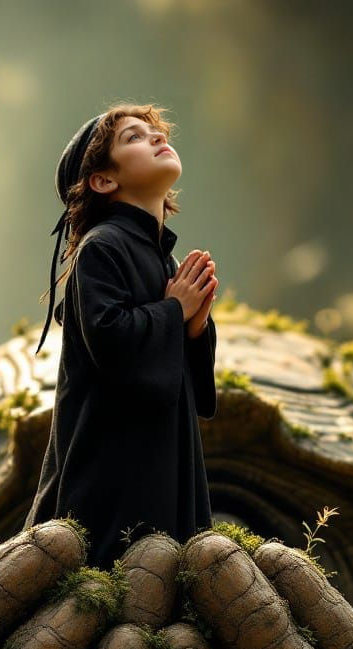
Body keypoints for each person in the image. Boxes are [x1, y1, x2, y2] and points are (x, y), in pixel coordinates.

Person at [23, 103, 219, 570]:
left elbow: (179, 377)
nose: (155, 137)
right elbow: (110, 342)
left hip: (161, 458)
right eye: (134, 137)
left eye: (156, 131)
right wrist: (175, 311)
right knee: (106, 577)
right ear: (104, 180)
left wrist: (193, 329)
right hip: (110, 473)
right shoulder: (101, 248)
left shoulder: (163, 259)